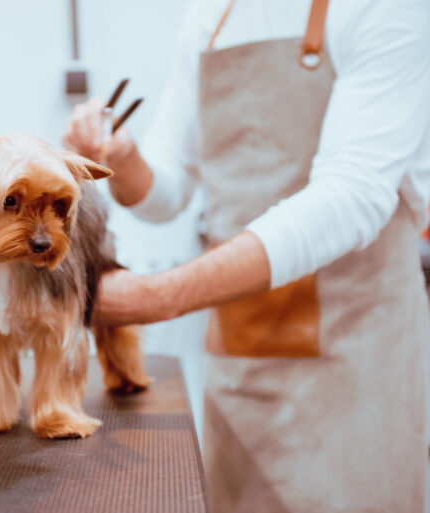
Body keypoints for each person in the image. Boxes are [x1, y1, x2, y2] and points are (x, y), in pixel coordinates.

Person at [63, 0, 430, 511]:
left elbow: (352, 196)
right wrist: (122, 158)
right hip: (240, 359)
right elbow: (167, 190)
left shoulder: (383, 8)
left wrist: (157, 296)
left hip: (354, 360)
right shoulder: (212, 17)